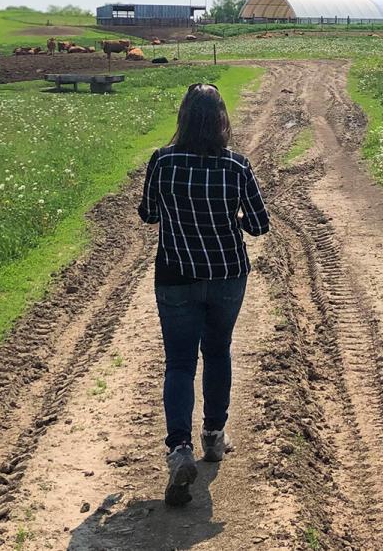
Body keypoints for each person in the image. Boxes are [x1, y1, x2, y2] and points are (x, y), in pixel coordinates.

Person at [138, 82, 270, 505]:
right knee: (217, 352)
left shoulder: (162, 161)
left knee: (179, 362)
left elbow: (149, 214)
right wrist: (229, 221)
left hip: (175, 274)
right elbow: (260, 224)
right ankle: (214, 435)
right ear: (220, 122)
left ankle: (179, 449)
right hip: (228, 274)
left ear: (183, 118)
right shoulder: (238, 167)